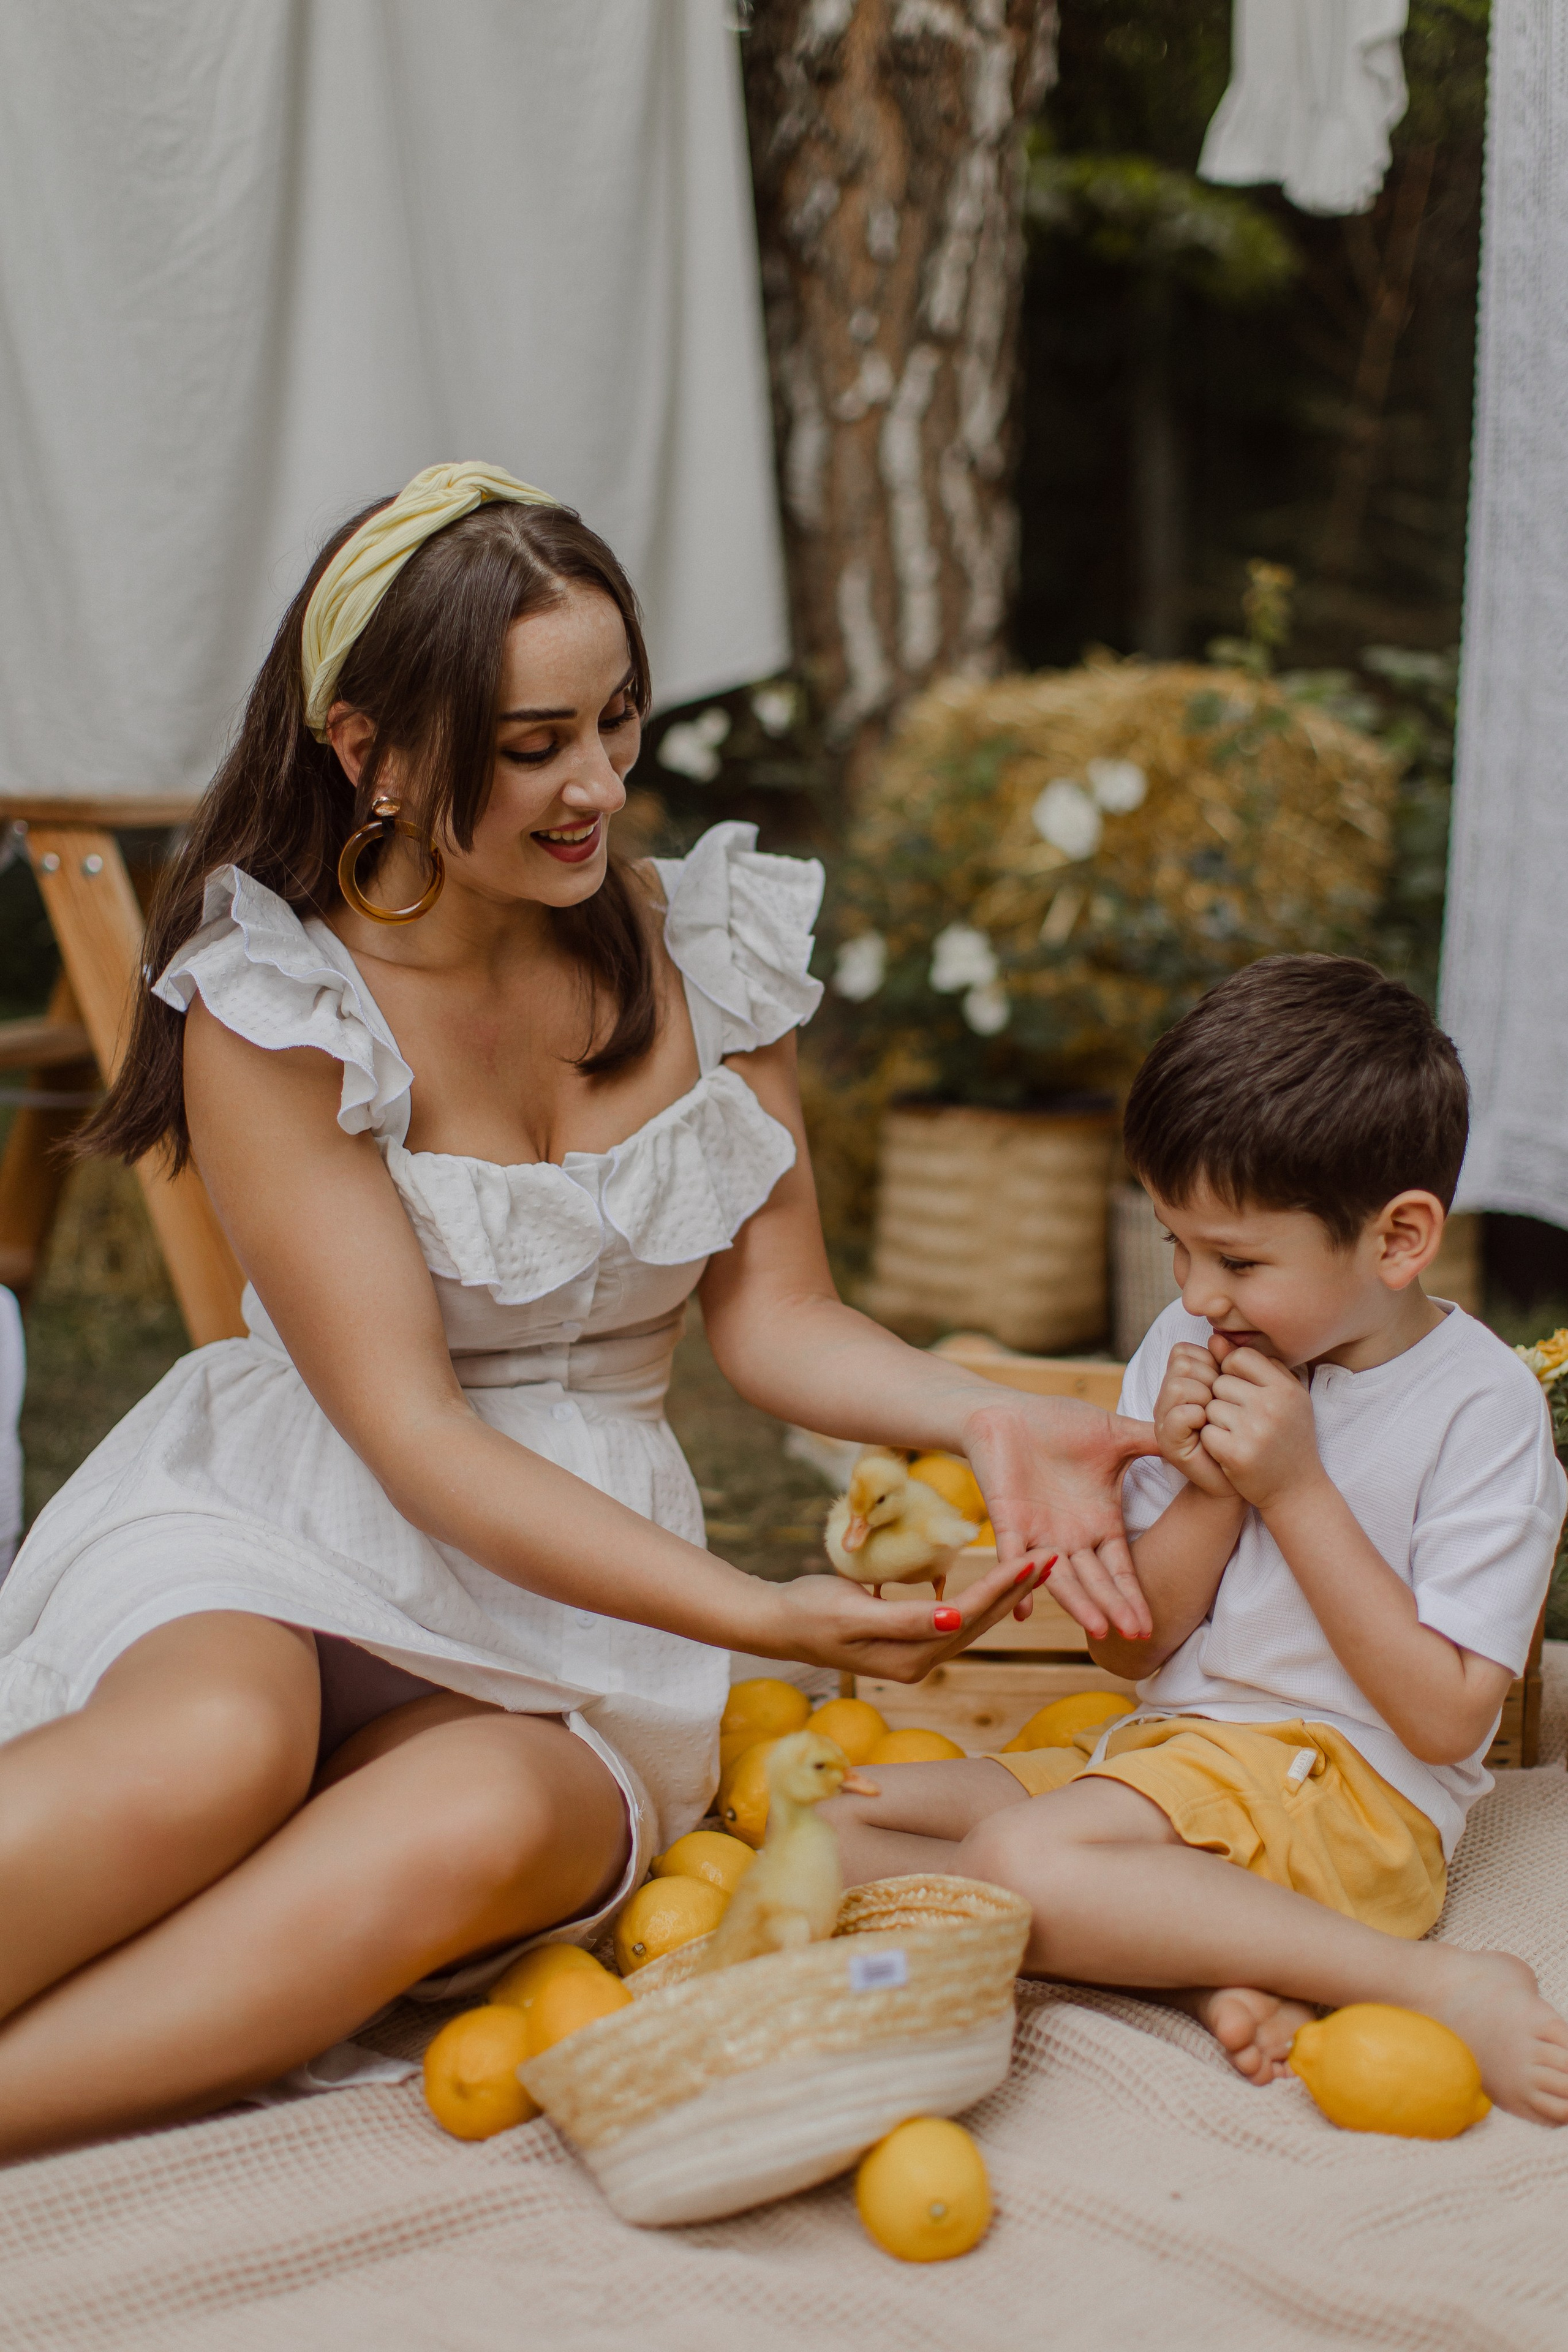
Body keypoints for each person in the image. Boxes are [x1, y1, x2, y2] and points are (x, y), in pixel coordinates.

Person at [0, 462, 1157, 2161]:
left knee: (476, 1825)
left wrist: (990, 1412)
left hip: (588, 1604)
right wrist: (759, 1616)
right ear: (371, 750)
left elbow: (780, 1321)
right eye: (534, 745)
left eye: (616, 722)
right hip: (296, 1513)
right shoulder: (276, 998)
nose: (600, 786)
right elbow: (412, 1435)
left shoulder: (710, 947)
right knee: (214, 1751)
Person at [827, 956, 1568, 2125]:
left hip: (1345, 1794)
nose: (1197, 1293)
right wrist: (1213, 1493)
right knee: (835, 1831)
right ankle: (1218, 1957)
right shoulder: (1189, 1343)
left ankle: (1432, 1985)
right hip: (1162, 1757)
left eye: (1238, 1260)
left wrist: (1296, 1489)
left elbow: (1447, 1721)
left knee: (1021, 1866)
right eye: (1178, 1245)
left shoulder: (1482, 1407)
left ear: (1399, 1239)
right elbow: (1132, 1651)